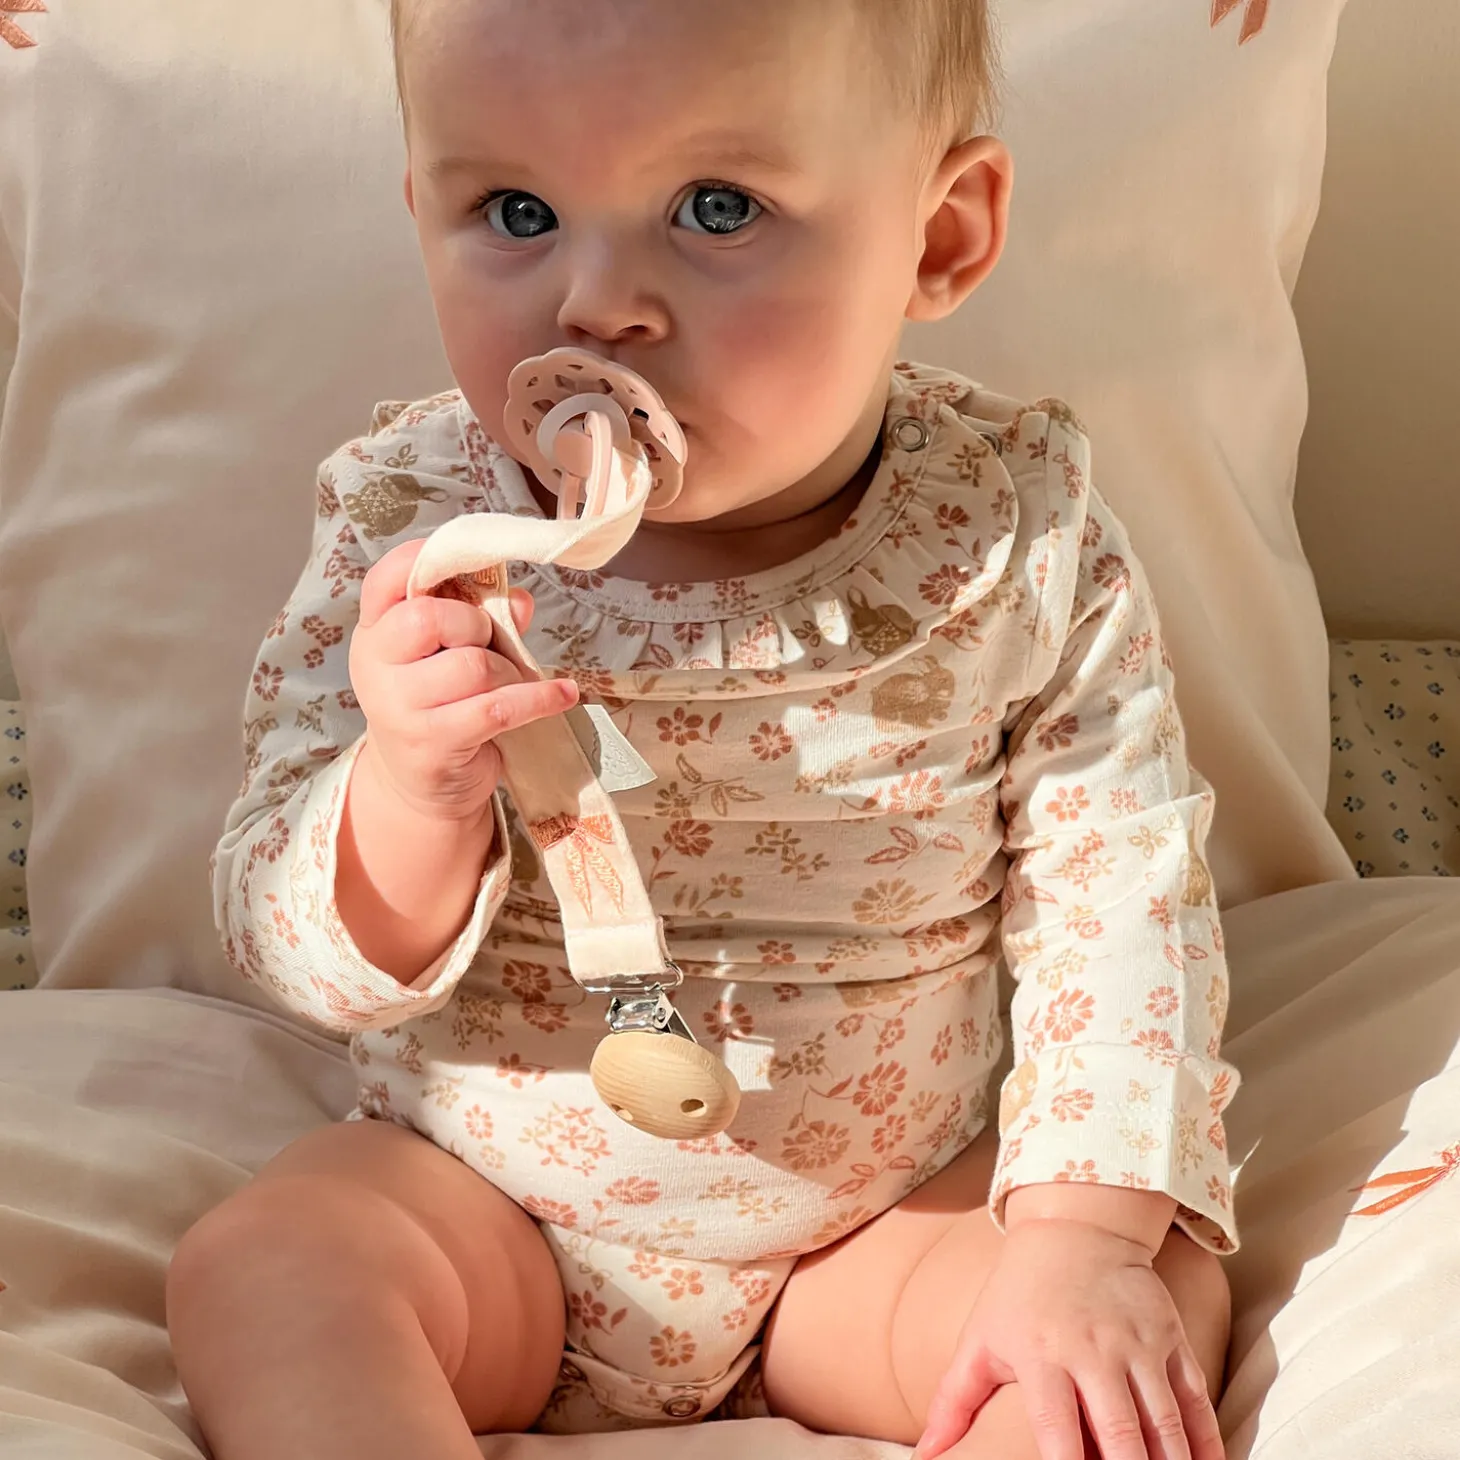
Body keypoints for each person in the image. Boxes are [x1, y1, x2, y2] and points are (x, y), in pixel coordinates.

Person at [166, 2, 1238, 1457]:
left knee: (1125, 1314)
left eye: (716, 208)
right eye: (518, 212)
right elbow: (286, 944)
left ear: (939, 238)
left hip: (875, 1239)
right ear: (422, 212)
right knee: (268, 1267)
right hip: (485, 1212)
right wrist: (406, 794)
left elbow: (1121, 904)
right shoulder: (410, 524)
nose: (596, 303)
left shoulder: (1014, 536)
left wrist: (1080, 1240)